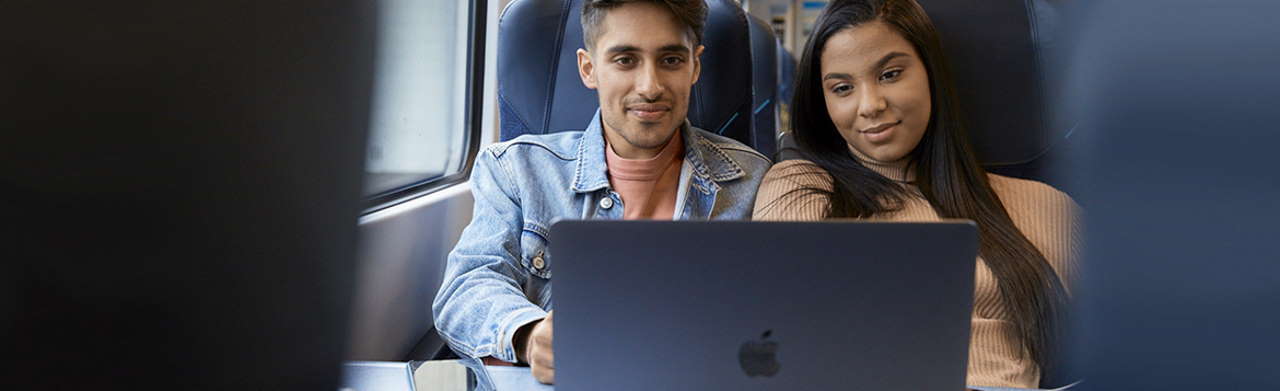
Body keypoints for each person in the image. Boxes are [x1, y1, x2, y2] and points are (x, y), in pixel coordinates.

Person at [432, 0, 771, 387]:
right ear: (589, 68)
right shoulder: (517, 170)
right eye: (626, 60)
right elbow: (467, 285)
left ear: (695, 65)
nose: (650, 86)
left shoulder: (753, 179)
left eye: (671, 60)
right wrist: (527, 334)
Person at [752, 0, 1078, 388]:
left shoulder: (1049, 208)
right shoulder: (803, 189)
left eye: (890, 74)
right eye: (842, 88)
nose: (871, 105)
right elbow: (784, 339)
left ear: (930, 74)